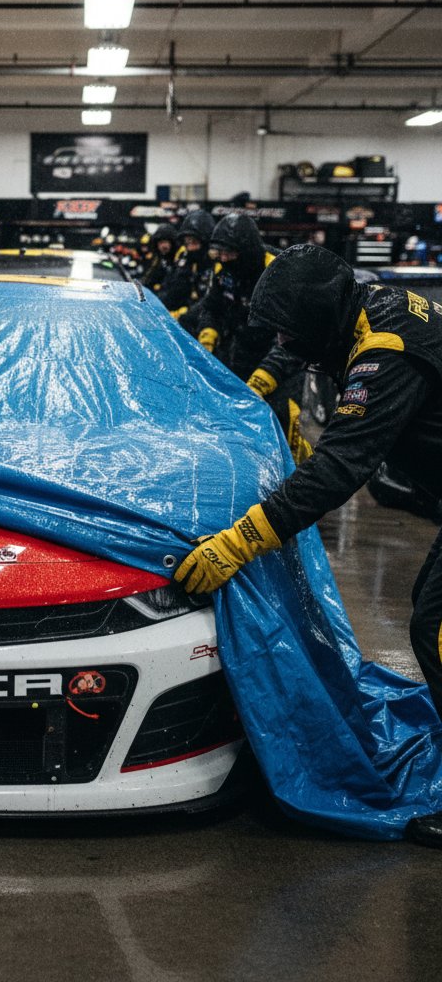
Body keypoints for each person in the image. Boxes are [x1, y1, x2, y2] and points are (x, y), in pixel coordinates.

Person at [172, 243, 442, 848]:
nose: (288, 343)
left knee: (436, 627)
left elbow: (340, 467)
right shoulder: (362, 308)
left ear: (321, 316)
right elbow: (286, 352)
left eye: (295, 330)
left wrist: (238, 542)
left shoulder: (385, 351)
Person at [194, 212, 311, 463]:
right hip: (240, 356)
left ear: (246, 251)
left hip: (282, 370)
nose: (223, 259)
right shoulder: (223, 268)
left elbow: (292, 339)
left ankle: (296, 485)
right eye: (219, 252)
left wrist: (262, 381)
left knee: (283, 434)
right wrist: (207, 339)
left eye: (229, 253)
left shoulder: (280, 273)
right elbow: (211, 307)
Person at [160, 210, 216, 330]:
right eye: (187, 243)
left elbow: (213, 302)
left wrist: (186, 314)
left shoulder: (218, 264)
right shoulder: (186, 260)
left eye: (194, 242)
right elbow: (175, 289)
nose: (190, 247)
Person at [139, 223, 178, 294]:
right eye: (160, 243)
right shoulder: (159, 258)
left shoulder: (178, 258)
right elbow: (150, 277)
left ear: (172, 242)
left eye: (165, 242)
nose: (163, 246)